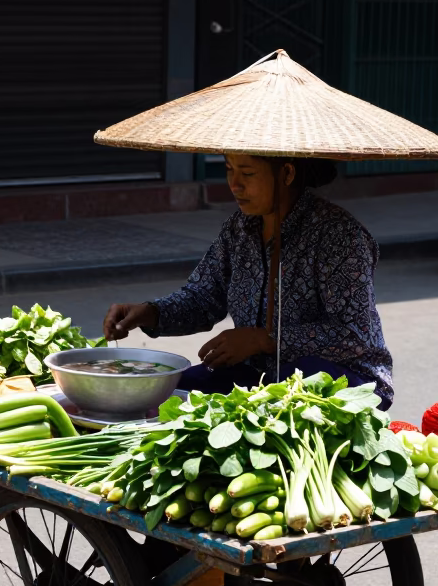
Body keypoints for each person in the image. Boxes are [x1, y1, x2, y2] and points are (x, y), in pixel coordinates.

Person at [102, 153, 394, 410]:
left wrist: (264, 340)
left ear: (287, 174)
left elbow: (354, 336)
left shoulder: (339, 236)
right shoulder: (239, 229)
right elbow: (203, 297)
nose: (235, 184)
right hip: (257, 374)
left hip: (344, 380)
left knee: (285, 403)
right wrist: (150, 313)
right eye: (229, 169)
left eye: (248, 173)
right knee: (166, 395)